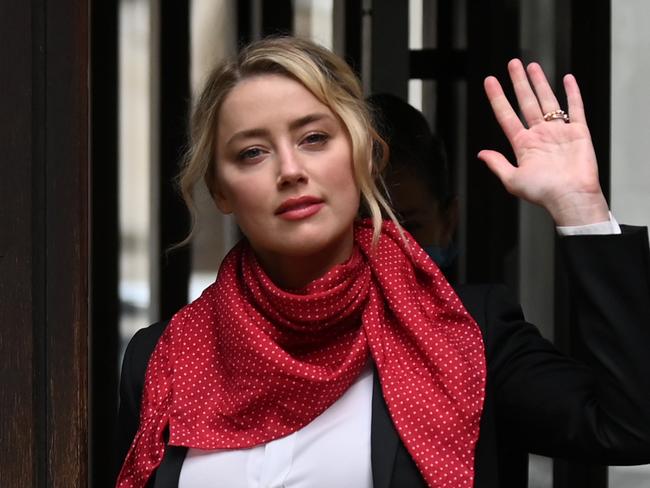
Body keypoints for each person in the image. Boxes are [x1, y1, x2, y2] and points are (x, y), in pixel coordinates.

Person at [115, 36, 650, 488]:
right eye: (252, 152)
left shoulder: (466, 331)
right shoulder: (161, 359)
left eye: (315, 138)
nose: (290, 169)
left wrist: (580, 207)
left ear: (366, 155)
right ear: (220, 190)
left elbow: (630, 426)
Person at [368, 93, 458, 273]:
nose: (391, 248)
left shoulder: (482, 301)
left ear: (447, 222)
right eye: (368, 230)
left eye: (410, 227)